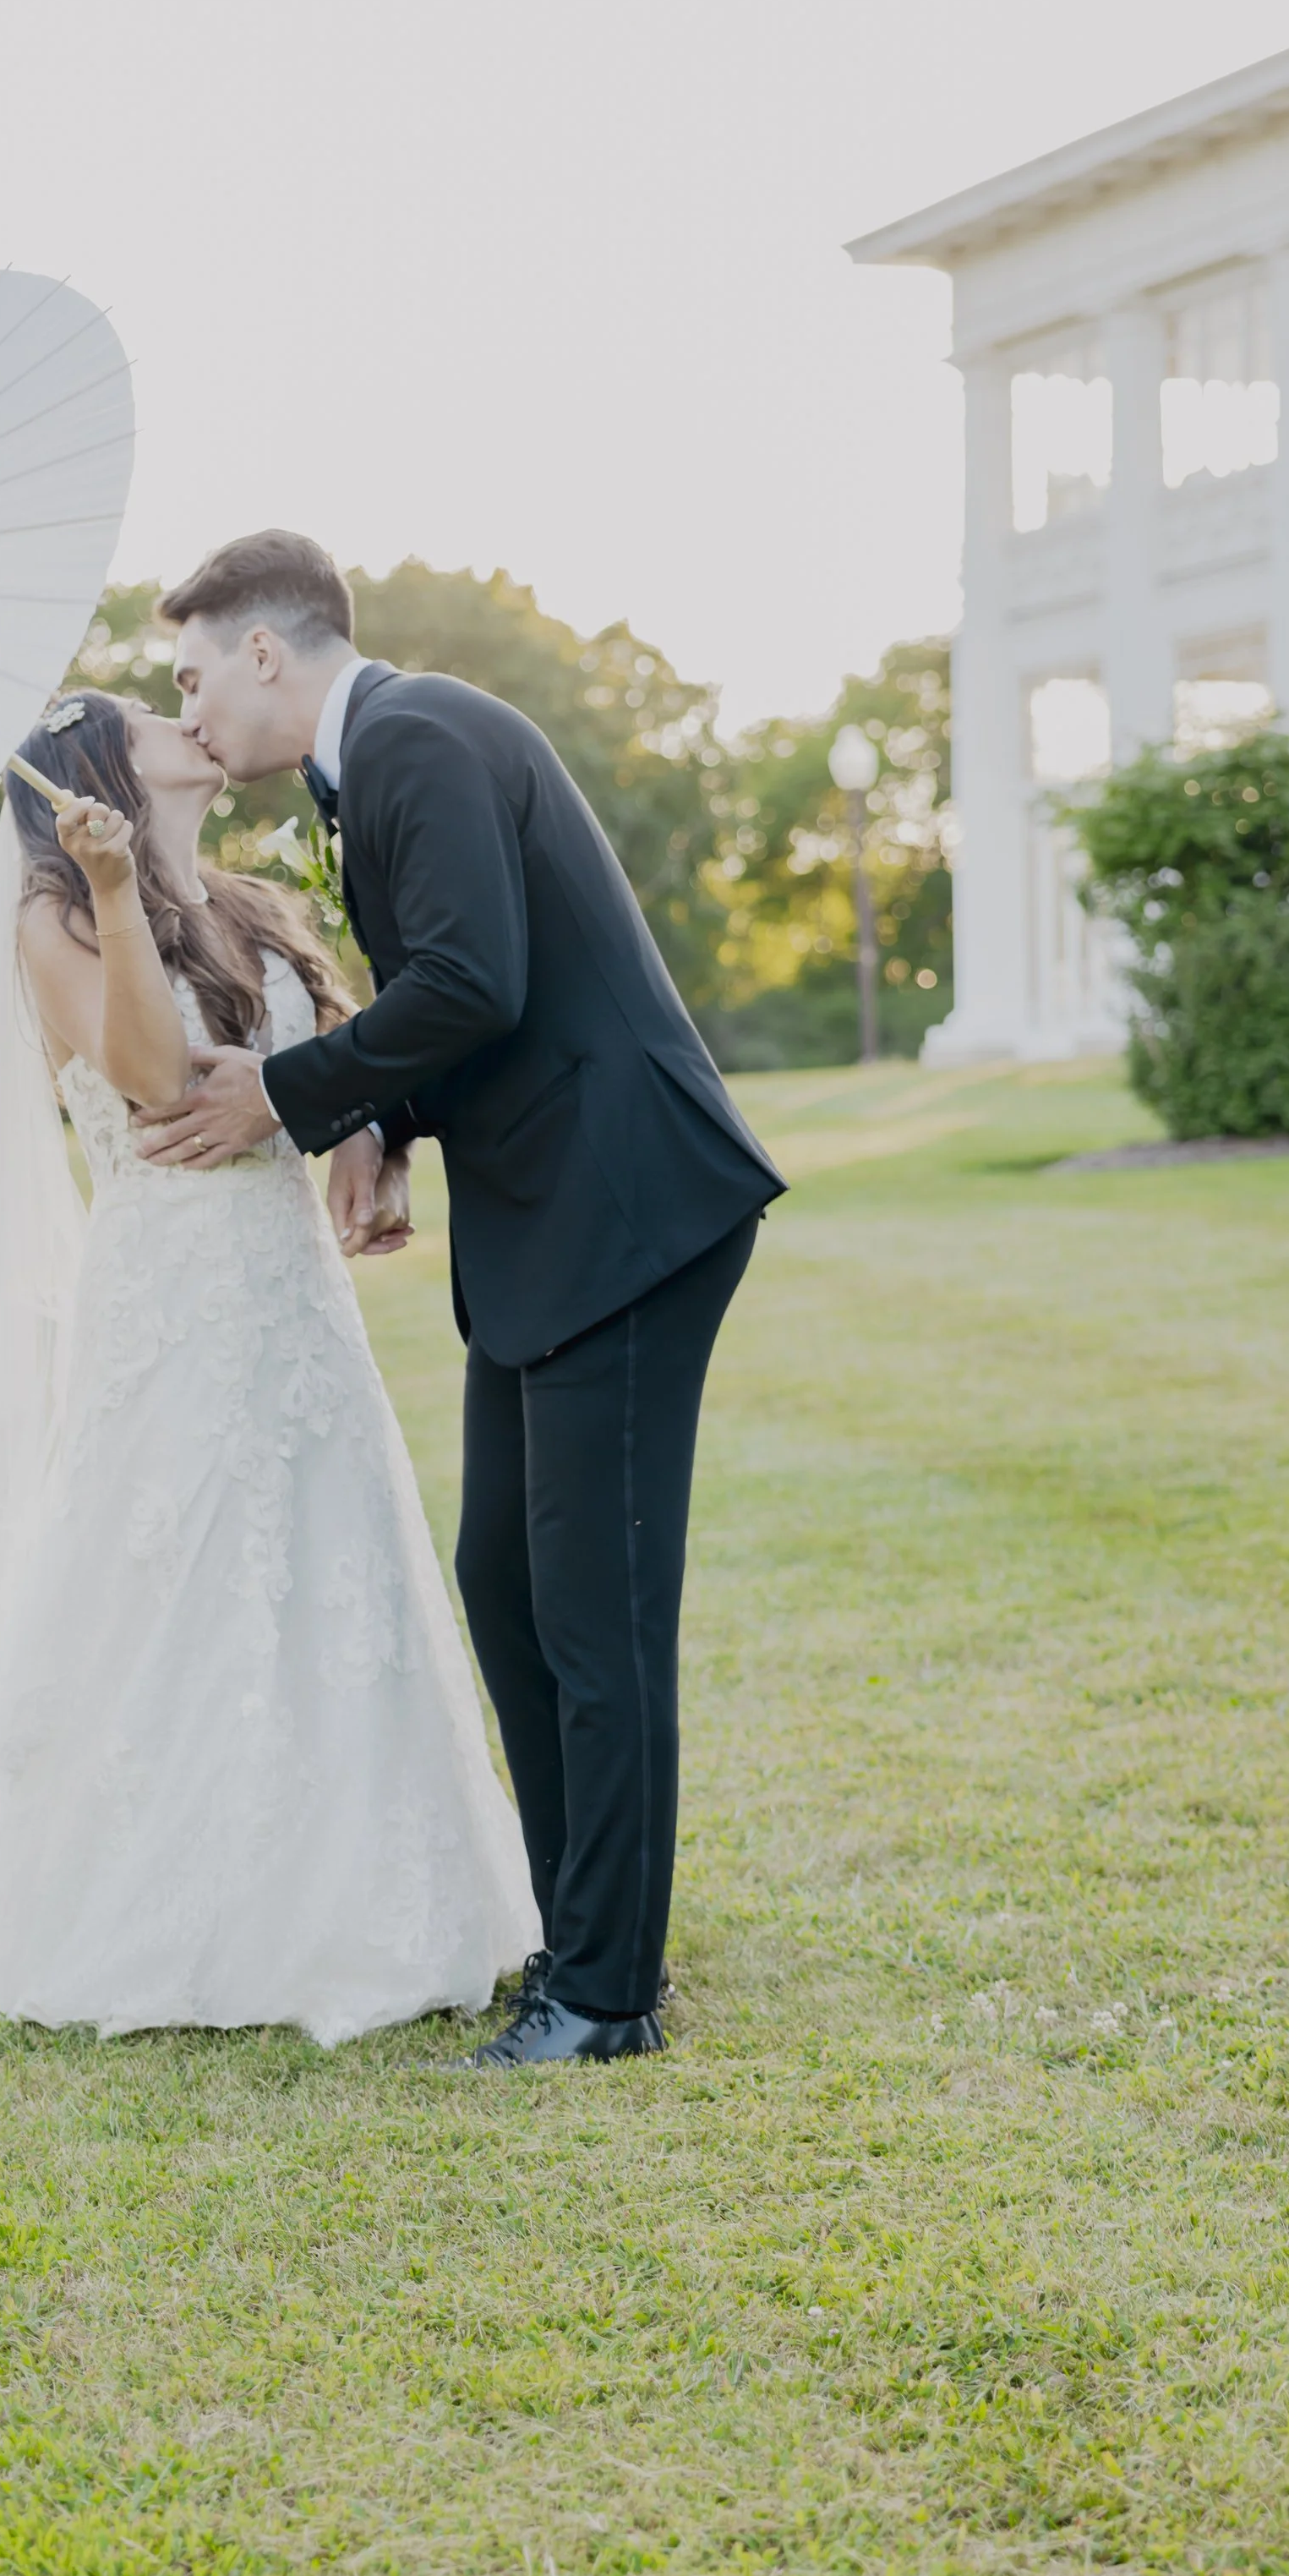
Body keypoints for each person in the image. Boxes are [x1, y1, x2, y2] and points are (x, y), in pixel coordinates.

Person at [141, 532, 787, 2069]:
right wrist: (387, 1124)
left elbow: (474, 983)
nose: (193, 710)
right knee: (508, 1586)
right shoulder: (373, 761)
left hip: (624, 1213)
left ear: (269, 654)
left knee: (594, 1617)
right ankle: (575, 1943)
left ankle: (608, 1995)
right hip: (552, 1224)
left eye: (194, 675)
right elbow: (482, 998)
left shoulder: (419, 734)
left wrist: (293, 1097)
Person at [0, 686, 538, 2045]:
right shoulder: (51, 921)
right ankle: (173, 1914)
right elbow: (160, 1080)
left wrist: (369, 1145)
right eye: (142, 710)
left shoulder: (250, 906)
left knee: (329, 1560)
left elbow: (340, 1053)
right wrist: (114, 892)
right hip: (168, 1299)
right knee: (173, 1576)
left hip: (294, 1302)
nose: (186, 720)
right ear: (91, 773)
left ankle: (368, 1895)